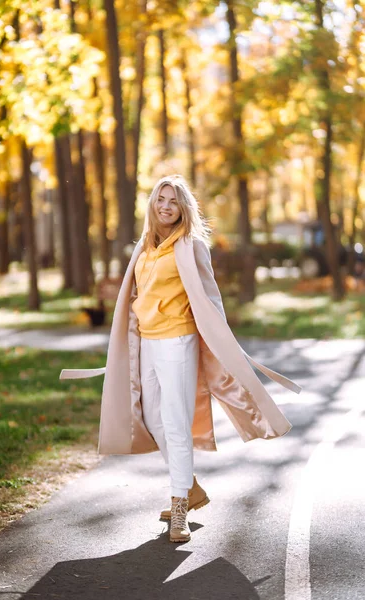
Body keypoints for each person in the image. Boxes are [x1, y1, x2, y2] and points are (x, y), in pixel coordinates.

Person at [60, 174, 301, 544]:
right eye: (161, 199)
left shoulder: (191, 246)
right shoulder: (145, 246)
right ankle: (190, 487)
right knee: (154, 419)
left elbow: (210, 298)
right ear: (153, 205)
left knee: (175, 422)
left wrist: (222, 342)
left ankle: (178, 510)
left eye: (173, 201)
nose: (166, 206)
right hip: (148, 344)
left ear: (183, 207)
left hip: (178, 342)